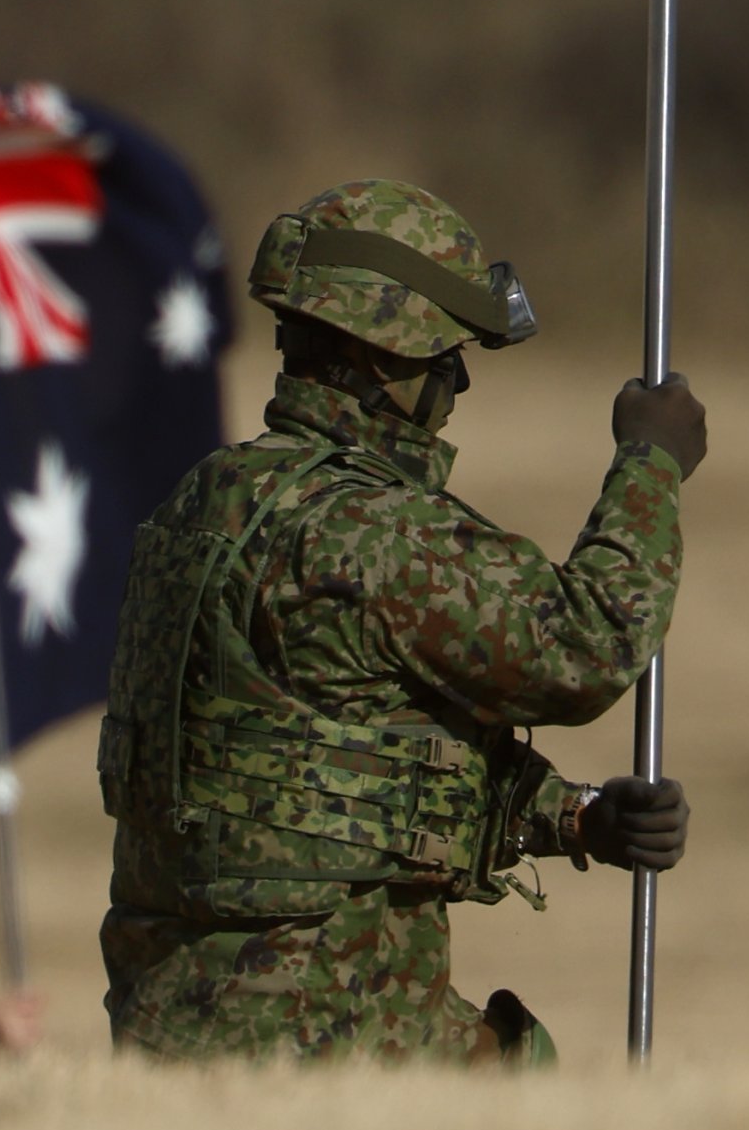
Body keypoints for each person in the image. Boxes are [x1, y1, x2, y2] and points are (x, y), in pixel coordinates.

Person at [95, 181, 701, 1065]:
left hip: (163, 1023)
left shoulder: (202, 503)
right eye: (446, 358)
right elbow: (590, 645)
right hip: (326, 1027)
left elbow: (327, 766)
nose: (454, 385)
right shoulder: (374, 530)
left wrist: (577, 820)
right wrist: (651, 463)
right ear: (387, 361)